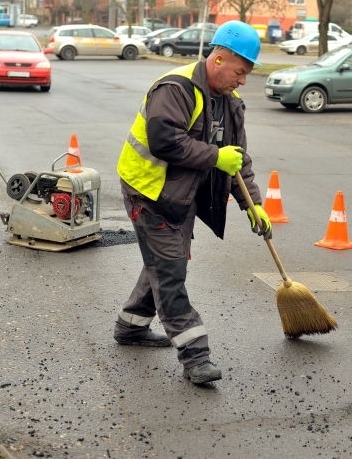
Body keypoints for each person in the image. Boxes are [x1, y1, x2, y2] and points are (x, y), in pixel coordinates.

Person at [113, 20, 272, 385]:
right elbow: (164, 141)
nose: (243, 81)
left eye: (247, 74)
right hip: (148, 191)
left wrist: (253, 205)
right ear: (220, 59)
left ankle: (131, 326)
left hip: (181, 195)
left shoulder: (230, 104)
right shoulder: (177, 88)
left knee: (163, 263)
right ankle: (196, 356)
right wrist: (215, 157)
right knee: (170, 271)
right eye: (240, 72)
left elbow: (237, 160)